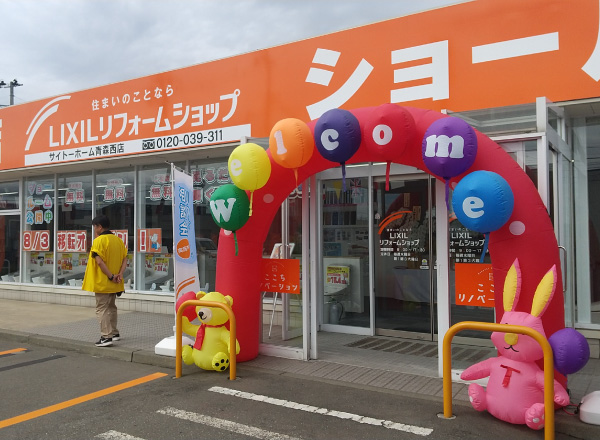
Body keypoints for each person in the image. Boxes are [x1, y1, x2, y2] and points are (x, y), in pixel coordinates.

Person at [82, 215, 127, 347]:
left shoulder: (99, 241)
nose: (94, 229)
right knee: (111, 307)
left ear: (100, 227)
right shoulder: (118, 240)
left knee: (102, 308)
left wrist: (110, 276)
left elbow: (99, 262)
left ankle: (106, 337)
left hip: (103, 282)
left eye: (94, 226)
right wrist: (119, 274)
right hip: (116, 282)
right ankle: (114, 333)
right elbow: (125, 259)